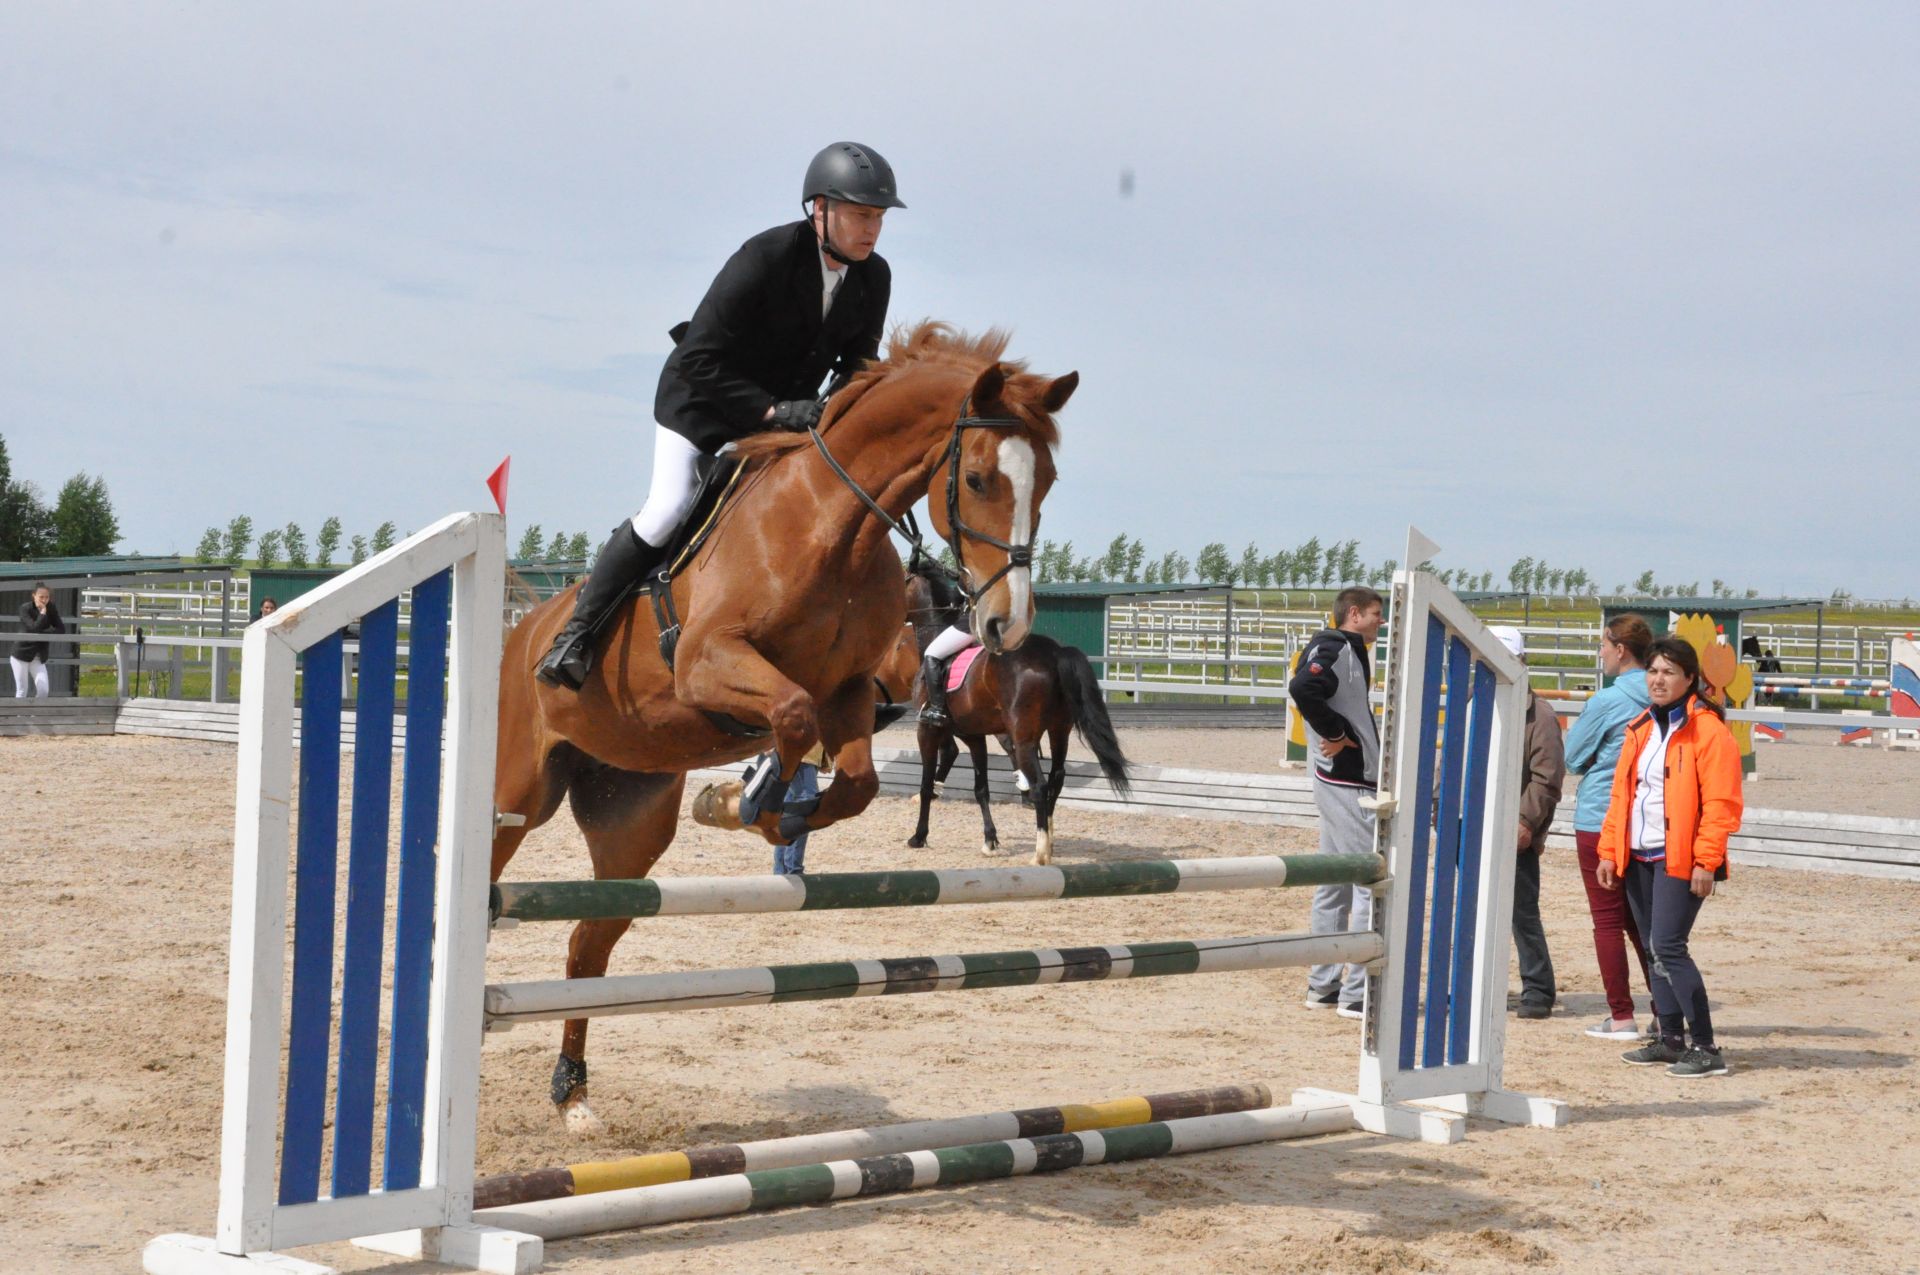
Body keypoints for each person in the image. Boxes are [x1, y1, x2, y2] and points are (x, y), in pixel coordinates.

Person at [537, 142, 904, 690]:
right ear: (819, 210)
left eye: (877, 217)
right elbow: (697, 358)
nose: (871, 229)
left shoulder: (874, 277)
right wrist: (773, 408)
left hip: (784, 423)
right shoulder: (764, 258)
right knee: (668, 509)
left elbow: (857, 360)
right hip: (702, 403)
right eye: (860, 214)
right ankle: (575, 635)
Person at [1597, 635, 1742, 1078]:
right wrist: (1608, 850)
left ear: (1690, 679)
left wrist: (1706, 859)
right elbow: (1622, 795)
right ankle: (1670, 1039)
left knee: (1668, 947)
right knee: (1651, 948)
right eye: (1654, 671)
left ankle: (1705, 1046)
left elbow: (1721, 803)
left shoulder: (1709, 731)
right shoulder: (1640, 727)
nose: (1658, 680)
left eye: (1669, 673)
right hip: (1638, 855)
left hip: (1680, 858)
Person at [1289, 586, 1386, 1019]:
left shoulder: (1344, 647)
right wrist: (1333, 733)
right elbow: (1304, 688)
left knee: (1333, 882)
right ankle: (1356, 991)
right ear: (1353, 614)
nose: (1381, 623)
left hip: (1338, 778)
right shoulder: (1336, 647)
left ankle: (1323, 984)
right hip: (1347, 780)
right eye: (1376, 615)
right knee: (1368, 879)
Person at [1562, 614, 1654, 1040]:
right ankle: (1665, 1010)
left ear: (1620, 649)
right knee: (1645, 924)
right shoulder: (1663, 695)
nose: (1600, 652)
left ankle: (1620, 1014)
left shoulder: (1607, 701)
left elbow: (1573, 758)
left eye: (1603, 645)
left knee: (1606, 921)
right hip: (1647, 820)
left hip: (1600, 816)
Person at [1488, 626, 1566, 1020]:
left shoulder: (1541, 717)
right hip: (1474, 823)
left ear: (1521, 663)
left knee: (1522, 912)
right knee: (1474, 911)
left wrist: (1524, 822)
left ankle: (1537, 988)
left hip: (1513, 829)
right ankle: (1479, 985)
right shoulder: (1475, 704)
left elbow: (1547, 778)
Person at [11, 583, 62, 698]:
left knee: (43, 690)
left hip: (38, 656)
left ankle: (34, 715)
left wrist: (43, 634)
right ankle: (19, 716)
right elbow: (34, 628)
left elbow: (61, 629)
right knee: (22, 690)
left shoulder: (52, 608)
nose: (44, 600)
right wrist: (43, 613)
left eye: (47, 597)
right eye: (41, 597)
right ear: (34, 595)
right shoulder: (25, 608)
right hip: (21, 654)